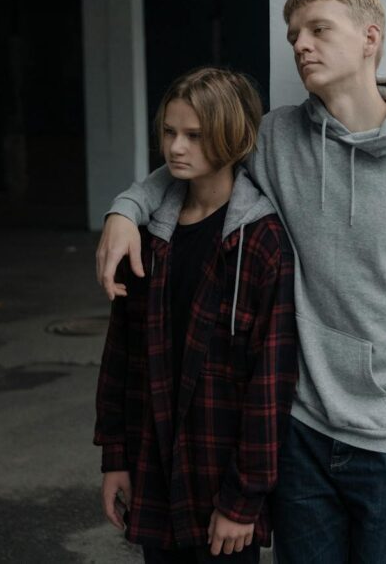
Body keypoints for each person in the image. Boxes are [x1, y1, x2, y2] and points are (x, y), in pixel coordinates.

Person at [97, 0, 386, 563]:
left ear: (369, 37)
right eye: (293, 35)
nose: (301, 45)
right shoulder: (277, 137)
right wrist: (125, 210)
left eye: (318, 29)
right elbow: (201, 156)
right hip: (300, 433)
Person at [94, 67, 298, 563]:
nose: (175, 148)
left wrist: (243, 499)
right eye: (169, 132)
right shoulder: (148, 236)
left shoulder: (261, 242)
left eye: (194, 136)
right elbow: (122, 356)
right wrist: (115, 458)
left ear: (230, 137)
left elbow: (268, 385)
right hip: (155, 469)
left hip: (219, 484)